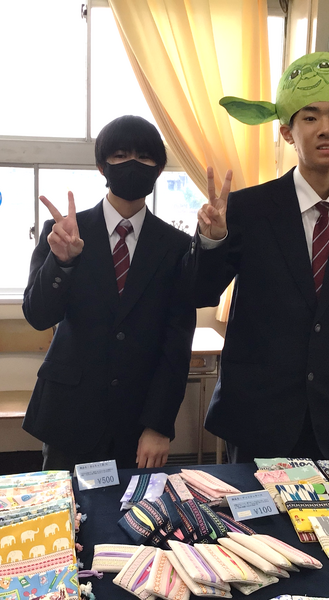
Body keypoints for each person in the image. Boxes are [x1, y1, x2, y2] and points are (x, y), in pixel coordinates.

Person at [185, 40, 329, 462]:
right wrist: (212, 238)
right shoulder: (247, 208)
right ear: (287, 132)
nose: (326, 128)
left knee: (325, 508)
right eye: (310, 117)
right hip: (256, 410)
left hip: (328, 411)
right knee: (251, 506)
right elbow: (201, 290)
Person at [23, 115, 196, 471]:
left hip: (139, 420)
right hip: (70, 414)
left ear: (158, 170)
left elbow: (177, 341)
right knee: (68, 506)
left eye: (144, 156)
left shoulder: (176, 246)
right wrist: (62, 263)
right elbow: (38, 315)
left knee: (140, 507)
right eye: (120, 155)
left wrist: (159, 424)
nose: (132, 164)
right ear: (102, 167)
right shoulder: (64, 232)